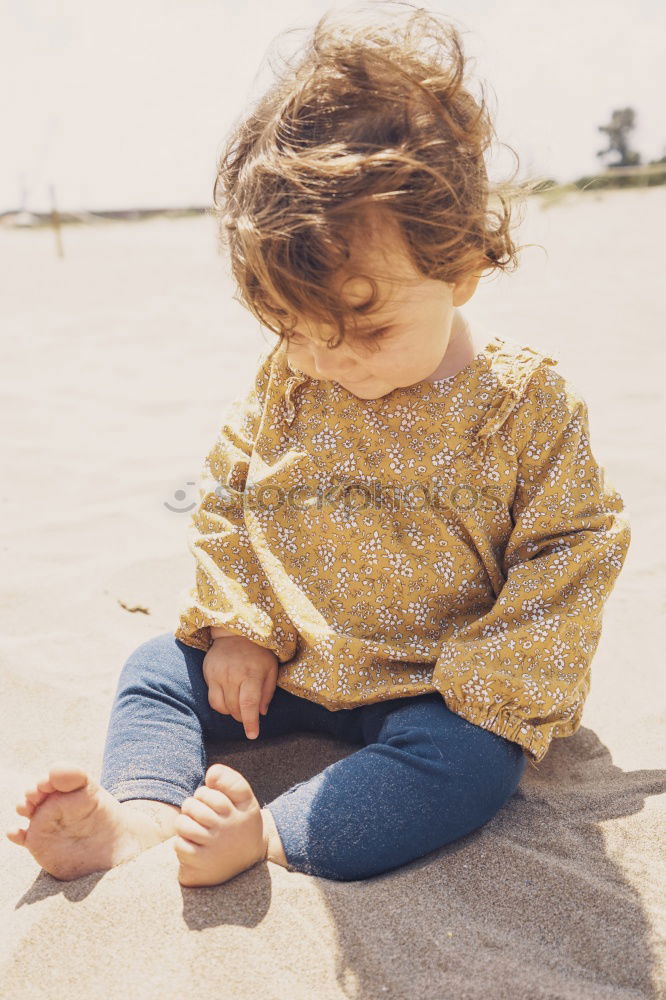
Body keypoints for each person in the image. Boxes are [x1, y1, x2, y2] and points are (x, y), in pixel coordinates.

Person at [6, 3, 631, 886]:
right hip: (290, 661)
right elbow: (230, 489)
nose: (330, 360)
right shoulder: (290, 379)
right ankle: (141, 815)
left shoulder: (522, 401)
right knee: (155, 667)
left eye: (365, 329)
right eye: (298, 330)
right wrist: (240, 630)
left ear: (461, 267)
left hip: (433, 685)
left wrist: (489, 684)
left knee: (471, 761)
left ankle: (267, 836)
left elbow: (572, 547)